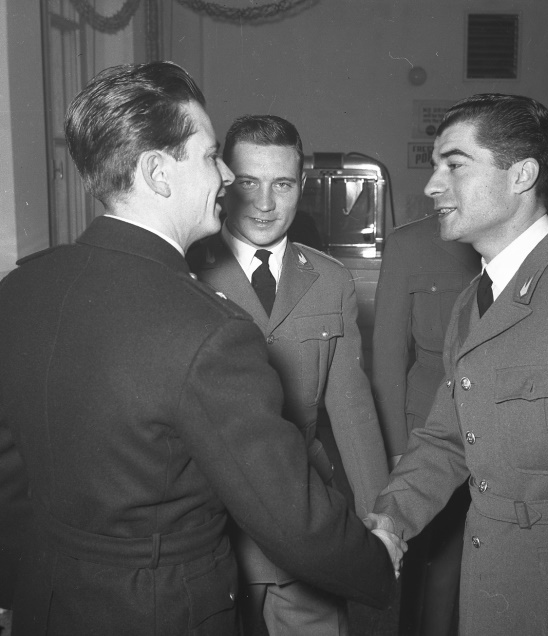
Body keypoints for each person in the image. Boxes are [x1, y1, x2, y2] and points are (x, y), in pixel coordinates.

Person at [0, 62, 402, 636]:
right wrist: (375, 560)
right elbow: (290, 519)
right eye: (212, 156)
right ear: (157, 173)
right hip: (162, 607)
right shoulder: (205, 325)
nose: (226, 177)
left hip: (48, 601)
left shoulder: (21, 289)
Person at [366, 93, 548, 636]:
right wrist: (392, 519)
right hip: (488, 588)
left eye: (455, 165)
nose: (432, 185)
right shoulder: (475, 299)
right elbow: (447, 438)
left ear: (522, 175)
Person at [187, 114, 390, 636]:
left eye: (281, 184)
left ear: (301, 186)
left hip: (307, 518)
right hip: (215, 523)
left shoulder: (330, 279)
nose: (264, 203)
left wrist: (380, 520)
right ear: (224, 181)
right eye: (248, 182)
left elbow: (352, 410)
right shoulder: (187, 275)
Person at [372, 215, 479, 635]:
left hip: (498, 428)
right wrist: (398, 449)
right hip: (429, 428)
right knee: (425, 568)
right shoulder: (409, 245)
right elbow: (388, 359)